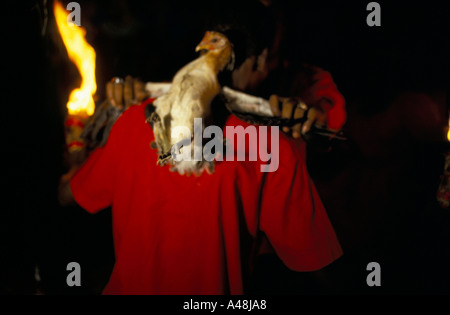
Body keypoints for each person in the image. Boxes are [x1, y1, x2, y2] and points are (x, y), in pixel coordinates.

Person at [58, 0, 346, 294]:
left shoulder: (134, 118)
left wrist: (77, 160)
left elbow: (69, 194)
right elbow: (314, 263)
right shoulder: (270, 144)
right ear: (261, 59)